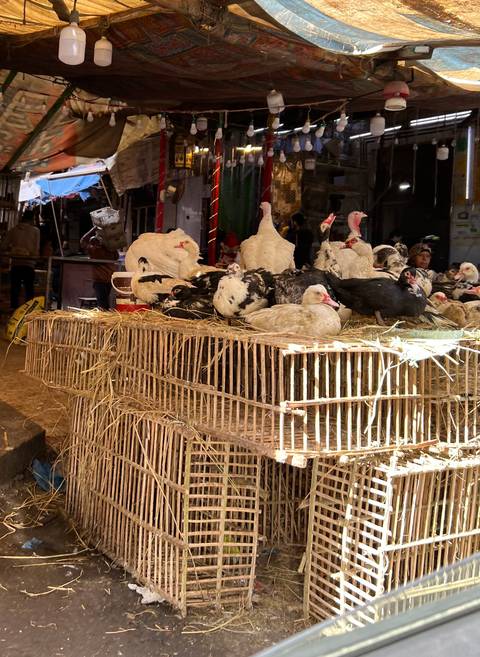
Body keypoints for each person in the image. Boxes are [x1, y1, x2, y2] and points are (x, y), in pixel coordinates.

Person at [0, 210, 40, 309]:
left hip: (16, 263)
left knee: (15, 290)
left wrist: (14, 249)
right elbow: (36, 249)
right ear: (32, 219)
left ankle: (14, 311)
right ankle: (29, 311)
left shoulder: (13, 230)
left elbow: (3, 246)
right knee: (29, 290)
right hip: (29, 264)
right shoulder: (35, 231)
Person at [80, 226, 118, 310]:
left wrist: (94, 229)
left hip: (100, 280)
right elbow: (116, 255)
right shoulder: (109, 251)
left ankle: (105, 318)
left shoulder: (94, 251)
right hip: (108, 279)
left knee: (102, 305)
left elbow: (83, 241)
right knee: (104, 302)